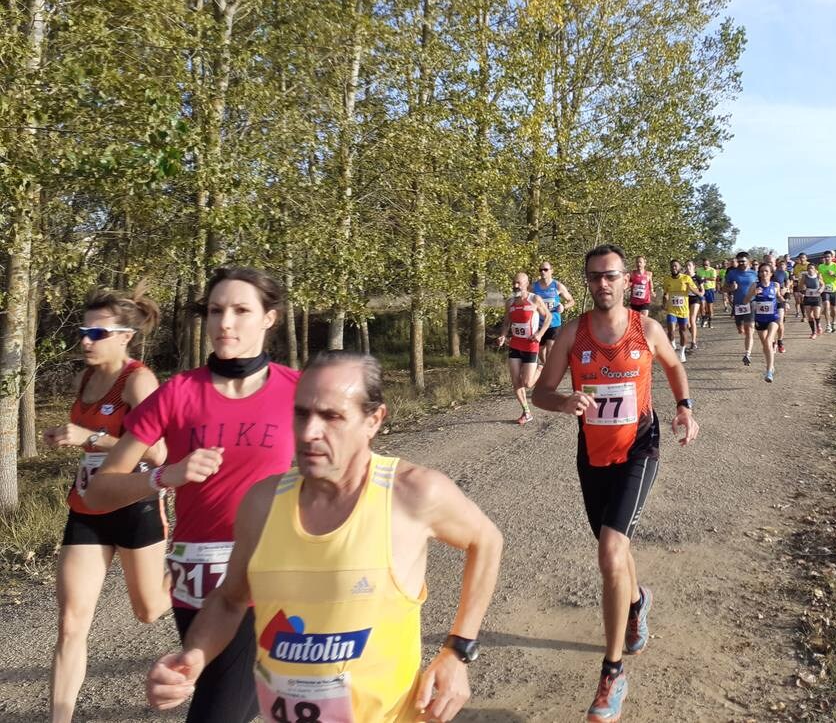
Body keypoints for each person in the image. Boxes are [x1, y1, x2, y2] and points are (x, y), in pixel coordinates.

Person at [146, 350, 504, 723]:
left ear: (374, 420)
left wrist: (457, 651)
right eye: (301, 413)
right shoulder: (263, 502)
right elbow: (230, 600)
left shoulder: (413, 494)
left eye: (332, 416)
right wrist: (194, 657)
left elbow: (486, 541)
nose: (309, 432)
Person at [87, 267, 299, 723]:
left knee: (234, 704)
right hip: (200, 579)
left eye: (242, 311)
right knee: (232, 703)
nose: (225, 323)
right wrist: (168, 475)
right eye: (216, 311)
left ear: (269, 319)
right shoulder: (177, 393)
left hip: (273, 571)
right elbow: (101, 489)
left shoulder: (297, 392)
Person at [532, 244, 698, 723]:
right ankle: (638, 599)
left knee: (608, 551)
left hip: (639, 448)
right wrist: (562, 403)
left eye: (610, 276)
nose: (601, 284)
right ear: (586, 281)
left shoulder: (647, 329)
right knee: (617, 549)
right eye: (593, 277)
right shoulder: (570, 334)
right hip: (593, 455)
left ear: (627, 280)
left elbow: (672, 366)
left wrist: (684, 406)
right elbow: (542, 391)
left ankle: (612, 673)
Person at [47, 286, 169, 723]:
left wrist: (90, 438)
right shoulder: (87, 377)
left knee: (149, 610)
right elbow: (90, 441)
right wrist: (70, 439)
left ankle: (185, 569)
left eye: (97, 333)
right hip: (86, 507)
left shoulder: (138, 381)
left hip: (133, 505)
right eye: (84, 331)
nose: (85, 341)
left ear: (124, 337)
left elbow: (158, 455)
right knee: (70, 622)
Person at [497, 272, 551, 425]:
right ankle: (526, 412)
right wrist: (502, 335)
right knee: (516, 382)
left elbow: (548, 317)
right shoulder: (510, 302)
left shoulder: (534, 299)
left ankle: (540, 368)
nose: (515, 286)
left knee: (527, 383)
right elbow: (507, 322)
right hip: (515, 344)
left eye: (518, 283)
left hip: (531, 344)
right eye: (514, 283)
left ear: (526, 284)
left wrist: (540, 334)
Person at [531, 261, 576, 367]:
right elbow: (526, 298)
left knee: (550, 348)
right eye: (540, 270)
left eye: (545, 269)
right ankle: (545, 366)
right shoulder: (534, 287)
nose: (543, 272)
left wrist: (564, 307)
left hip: (554, 323)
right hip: (539, 324)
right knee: (541, 351)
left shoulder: (557, 286)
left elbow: (571, 301)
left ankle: (548, 370)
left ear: (551, 271)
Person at [660, 259, 699, 362]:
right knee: (671, 331)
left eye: (676, 266)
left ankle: (682, 353)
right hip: (671, 309)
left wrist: (692, 288)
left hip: (683, 310)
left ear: (680, 268)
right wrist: (664, 303)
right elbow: (666, 293)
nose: (674, 268)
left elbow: (696, 291)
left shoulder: (686, 278)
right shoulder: (667, 279)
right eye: (672, 266)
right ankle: (672, 345)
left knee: (683, 331)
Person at [724, 252, 758, 367]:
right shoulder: (732, 273)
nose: (741, 263)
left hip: (751, 303)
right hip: (738, 305)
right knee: (740, 329)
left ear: (748, 261)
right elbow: (723, 288)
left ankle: (747, 354)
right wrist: (730, 288)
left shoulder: (754, 273)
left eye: (743, 261)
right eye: (739, 261)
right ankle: (741, 330)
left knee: (750, 329)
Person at [751, 263, 782, 382]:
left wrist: (785, 301)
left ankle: (769, 371)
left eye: (766, 271)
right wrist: (753, 293)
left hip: (773, 318)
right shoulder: (755, 285)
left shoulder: (775, 285)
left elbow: (779, 296)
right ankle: (771, 366)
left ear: (771, 273)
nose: (764, 273)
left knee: (769, 341)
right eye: (761, 271)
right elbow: (746, 300)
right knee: (765, 345)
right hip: (760, 319)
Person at [817, 251, 836, 334]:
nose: (827, 258)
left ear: (832, 257)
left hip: (834, 290)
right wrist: (819, 279)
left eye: (828, 257)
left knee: (834, 309)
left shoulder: (835, 266)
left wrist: (834, 274)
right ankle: (828, 325)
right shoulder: (821, 266)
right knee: (826, 305)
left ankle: (834, 322)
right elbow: (819, 277)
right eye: (825, 257)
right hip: (825, 290)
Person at [798, 262, 824, 339]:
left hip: (816, 298)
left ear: (815, 270)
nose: (810, 270)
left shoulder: (818, 276)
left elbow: (823, 284)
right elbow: (800, 287)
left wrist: (821, 289)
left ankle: (818, 325)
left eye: (812, 268)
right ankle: (813, 332)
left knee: (816, 315)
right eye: (808, 268)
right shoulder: (804, 277)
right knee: (810, 316)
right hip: (808, 297)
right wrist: (803, 289)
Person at [771, 256, 790, 354]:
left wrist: (786, 289)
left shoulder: (782, 273)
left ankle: (780, 342)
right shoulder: (761, 273)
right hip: (768, 302)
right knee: (770, 324)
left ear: (775, 263)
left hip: (779, 300)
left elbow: (787, 282)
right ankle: (773, 343)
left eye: (771, 262)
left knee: (779, 322)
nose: (770, 264)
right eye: (767, 262)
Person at [685, 260, 704, 350]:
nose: (688, 267)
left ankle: (693, 342)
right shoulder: (683, 277)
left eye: (689, 265)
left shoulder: (698, 277)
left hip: (695, 299)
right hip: (685, 299)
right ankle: (693, 333)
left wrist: (699, 293)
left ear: (693, 267)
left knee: (692, 319)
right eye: (686, 266)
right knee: (686, 321)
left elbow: (702, 291)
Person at [696, 258, 719, 329]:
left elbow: (714, 279)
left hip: (710, 289)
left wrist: (705, 279)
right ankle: (703, 318)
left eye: (706, 265)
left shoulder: (712, 270)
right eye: (703, 265)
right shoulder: (699, 270)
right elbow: (697, 278)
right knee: (702, 305)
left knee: (709, 307)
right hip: (701, 290)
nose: (705, 266)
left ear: (709, 264)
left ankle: (709, 321)